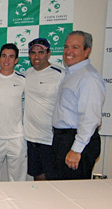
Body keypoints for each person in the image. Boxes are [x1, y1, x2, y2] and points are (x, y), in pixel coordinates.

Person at [52, 30, 105, 180]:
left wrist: (76, 149)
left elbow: (90, 118)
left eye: (75, 47)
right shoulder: (71, 74)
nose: (68, 51)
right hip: (63, 139)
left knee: (74, 192)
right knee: (61, 190)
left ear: (87, 51)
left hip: (75, 140)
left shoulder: (89, 77)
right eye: (66, 47)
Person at [0, 43, 27, 182]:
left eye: (11, 57)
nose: (6, 60)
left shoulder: (23, 80)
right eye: (3, 56)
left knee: (18, 180)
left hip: (17, 138)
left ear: (16, 60)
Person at [24, 38, 65, 180]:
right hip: (31, 137)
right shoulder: (27, 73)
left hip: (51, 138)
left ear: (49, 54)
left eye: (41, 52)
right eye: (33, 53)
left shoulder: (60, 74)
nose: (36, 57)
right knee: (37, 176)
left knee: (53, 179)